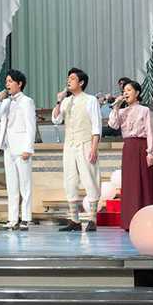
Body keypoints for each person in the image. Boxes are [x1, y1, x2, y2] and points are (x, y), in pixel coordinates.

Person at [52, 67, 102, 232]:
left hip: (86, 143)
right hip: (70, 145)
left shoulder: (90, 100)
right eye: (68, 78)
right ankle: (74, 220)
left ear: (81, 82)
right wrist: (59, 101)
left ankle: (92, 219)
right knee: (70, 180)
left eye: (72, 78)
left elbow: (96, 126)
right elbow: (56, 119)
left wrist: (94, 148)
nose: (69, 81)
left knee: (90, 178)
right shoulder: (67, 101)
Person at [108, 80, 153, 231]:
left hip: (142, 146)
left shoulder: (144, 110)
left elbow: (150, 131)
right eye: (124, 91)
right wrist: (116, 106)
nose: (126, 93)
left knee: (144, 183)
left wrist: (150, 152)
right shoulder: (122, 111)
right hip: (129, 148)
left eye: (129, 90)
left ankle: (148, 219)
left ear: (137, 93)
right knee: (130, 184)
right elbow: (113, 125)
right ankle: (130, 220)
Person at [0, 70, 36, 230]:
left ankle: (26, 218)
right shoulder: (5, 102)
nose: (7, 84)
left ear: (19, 83)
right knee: (12, 186)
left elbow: (31, 126)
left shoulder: (27, 101)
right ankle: (12, 219)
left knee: (25, 185)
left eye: (10, 81)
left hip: (22, 148)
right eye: (6, 81)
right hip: (8, 147)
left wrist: (28, 148)